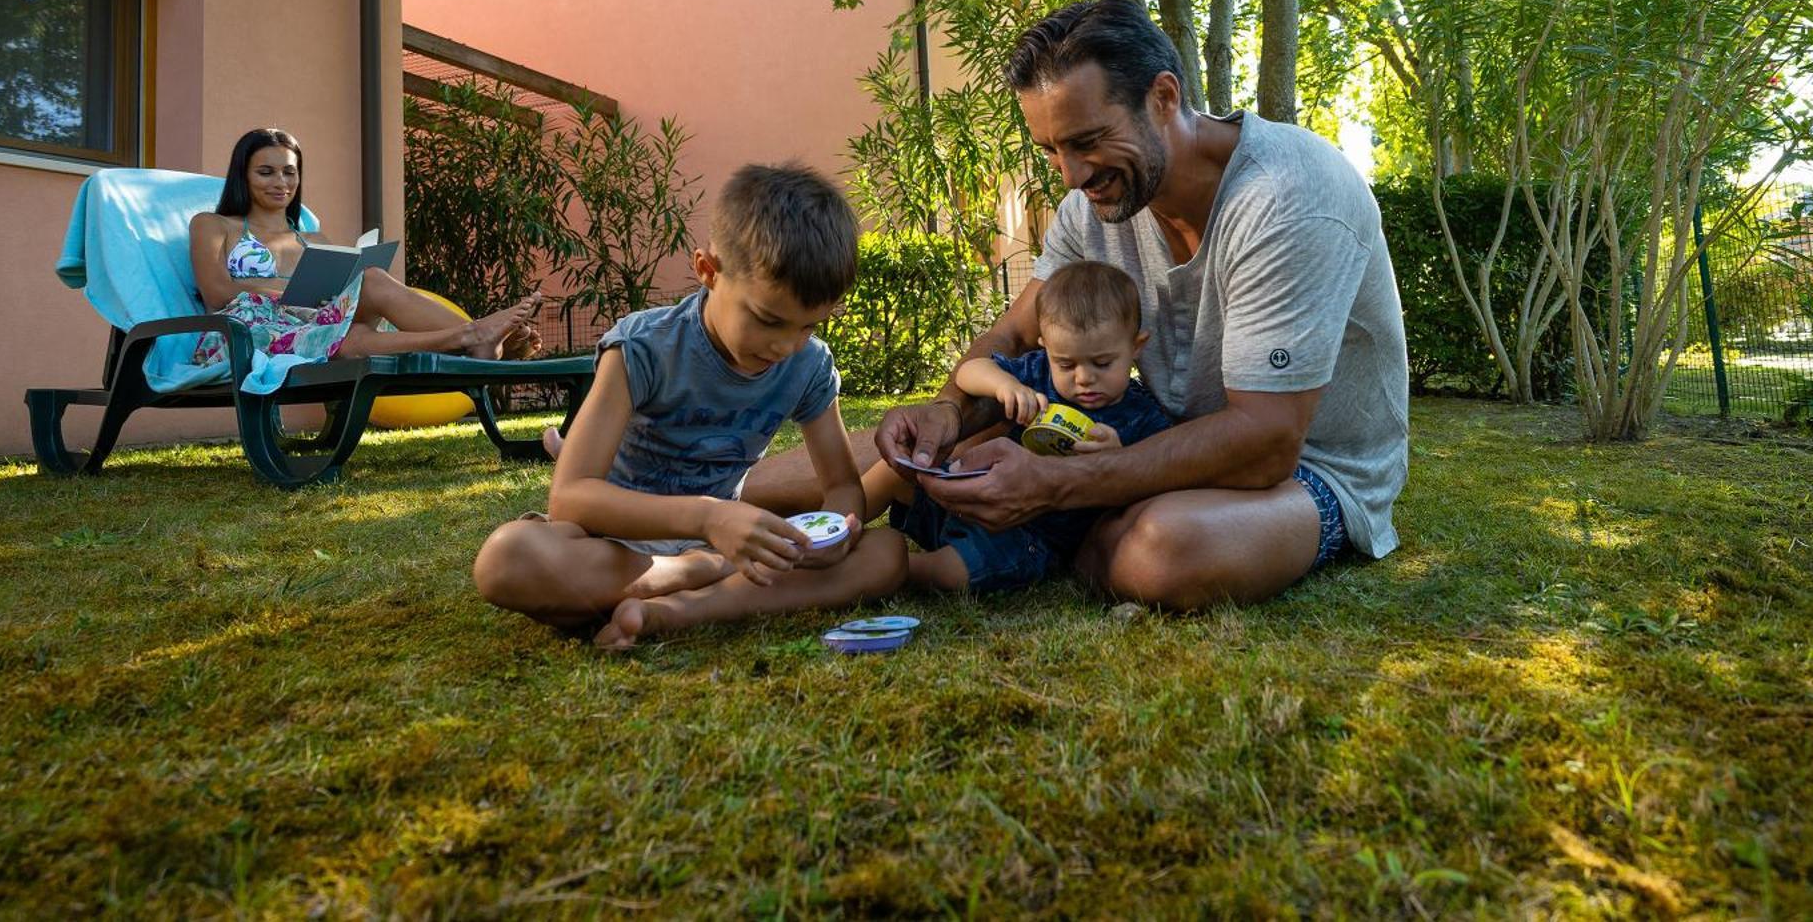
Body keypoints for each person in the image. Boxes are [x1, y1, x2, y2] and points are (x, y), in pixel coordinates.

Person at [752, 0, 1409, 609]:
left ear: (1164, 97)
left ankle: (1079, 537)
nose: (1070, 174)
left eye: (1087, 140)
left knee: (1160, 552)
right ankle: (706, 500)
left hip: (1306, 475)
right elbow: (1012, 336)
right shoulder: (1092, 207)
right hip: (1124, 435)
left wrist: (1054, 486)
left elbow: (1267, 443)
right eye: (1052, 149)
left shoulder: (1287, 197)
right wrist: (950, 413)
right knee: (923, 450)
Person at [471, 163, 907, 651]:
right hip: (614, 545)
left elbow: (843, 486)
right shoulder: (642, 347)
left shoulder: (807, 366)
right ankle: (699, 576)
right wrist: (708, 521)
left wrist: (836, 537)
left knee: (885, 553)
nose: (786, 345)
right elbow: (571, 498)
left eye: (808, 326)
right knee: (507, 558)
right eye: (767, 320)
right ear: (708, 271)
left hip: (721, 540)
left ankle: (674, 611)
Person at [895, 259, 1174, 594]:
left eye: (1102, 363)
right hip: (972, 500)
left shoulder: (1143, 417)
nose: (1084, 378)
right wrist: (1003, 385)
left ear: (1136, 347)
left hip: (1028, 538)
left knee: (949, 572)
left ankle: (890, 571)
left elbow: (1158, 484)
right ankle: (843, 521)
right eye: (1066, 363)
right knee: (899, 464)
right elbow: (970, 371)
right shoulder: (1040, 376)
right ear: (1046, 348)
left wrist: (1118, 458)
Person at [188, 127, 542, 367]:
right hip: (246, 334)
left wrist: (325, 299)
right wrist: (292, 294)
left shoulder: (313, 239)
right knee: (359, 306)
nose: (281, 182)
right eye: (266, 172)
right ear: (243, 176)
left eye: (290, 172)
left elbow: (337, 299)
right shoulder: (213, 224)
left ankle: (475, 334)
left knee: (366, 295)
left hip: (317, 326)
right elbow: (218, 294)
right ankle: (472, 334)